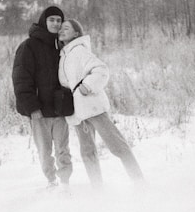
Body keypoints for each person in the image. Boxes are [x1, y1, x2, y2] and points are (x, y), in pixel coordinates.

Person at [58, 19, 144, 188]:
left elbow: (102, 69)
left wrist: (87, 86)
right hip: (77, 112)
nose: (61, 30)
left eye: (66, 28)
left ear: (76, 33)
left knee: (117, 145)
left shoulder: (79, 50)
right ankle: (98, 189)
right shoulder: (63, 55)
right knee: (87, 152)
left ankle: (140, 182)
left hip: (93, 107)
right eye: (60, 29)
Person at [12, 6, 72, 190]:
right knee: (45, 151)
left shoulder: (62, 45)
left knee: (63, 149)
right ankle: (51, 181)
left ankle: (65, 182)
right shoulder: (28, 46)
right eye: (51, 19)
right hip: (39, 112)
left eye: (59, 20)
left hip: (60, 109)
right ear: (43, 21)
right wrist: (32, 107)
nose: (56, 23)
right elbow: (21, 79)